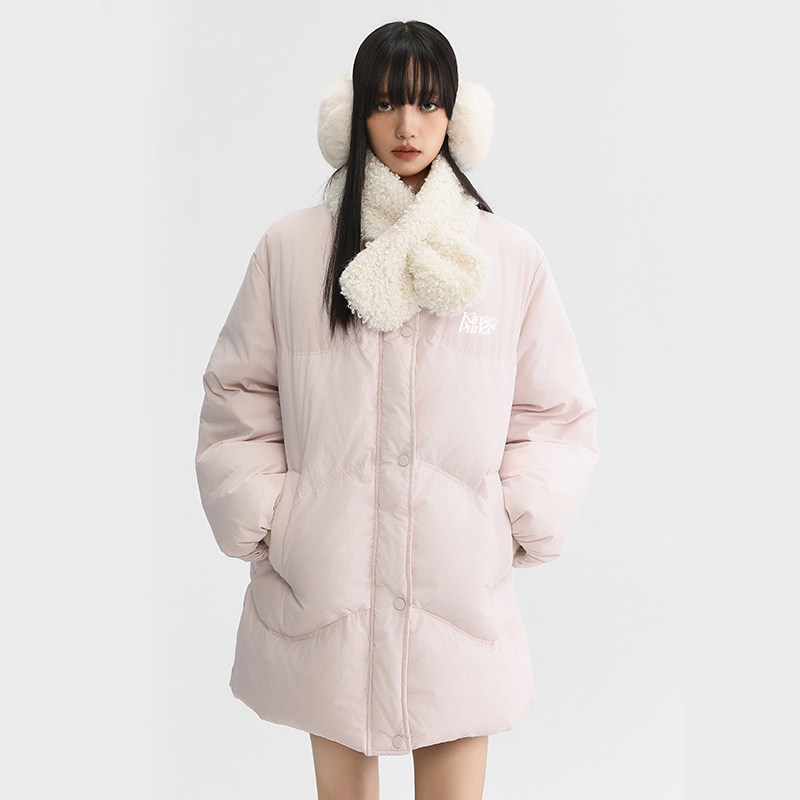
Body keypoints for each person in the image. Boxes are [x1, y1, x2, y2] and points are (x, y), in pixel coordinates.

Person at [195, 19, 601, 800]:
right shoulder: (293, 249)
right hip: (328, 587)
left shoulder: (505, 256)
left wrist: (513, 518)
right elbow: (238, 394)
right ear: (355, 114)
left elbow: (554, 411)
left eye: (426, 103)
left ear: (456, 115)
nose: (407, 126)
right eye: (385, 103)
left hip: (458, 590)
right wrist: (273, 515)